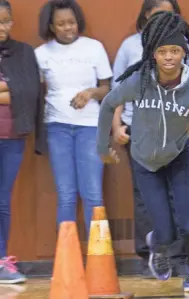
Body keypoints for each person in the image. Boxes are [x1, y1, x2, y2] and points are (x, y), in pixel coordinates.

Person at [96, 11, 189, 292]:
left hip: (179, 157)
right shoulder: (139, 82)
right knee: (165, 231)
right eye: (162, 51)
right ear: (152, 53)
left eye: (175, 50)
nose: (169, 57)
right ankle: (158, 245)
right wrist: (102, 146)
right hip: (145, 162)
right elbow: (107, 105)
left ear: (184, 53)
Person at [35, 0, 112, 234]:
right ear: (50, 26)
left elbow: (107, 88)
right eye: (61, 24)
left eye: (72, 22)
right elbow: (36, 91)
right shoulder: (41, 54)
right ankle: (67, 263)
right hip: (57, 127)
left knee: (93, 193)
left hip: (90, 127)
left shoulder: (94, 48)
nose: (68, 28)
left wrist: (90, 93)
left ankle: (99, 261)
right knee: (66, 194)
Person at [0, 0, 40, 284]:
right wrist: (10, 89)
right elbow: (17, 88)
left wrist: (10, 88)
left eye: (5, 21)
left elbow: (29, 91)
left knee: (2, 200)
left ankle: (1, 260)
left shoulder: (24, 52)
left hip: (12, 137)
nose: (2, 27)